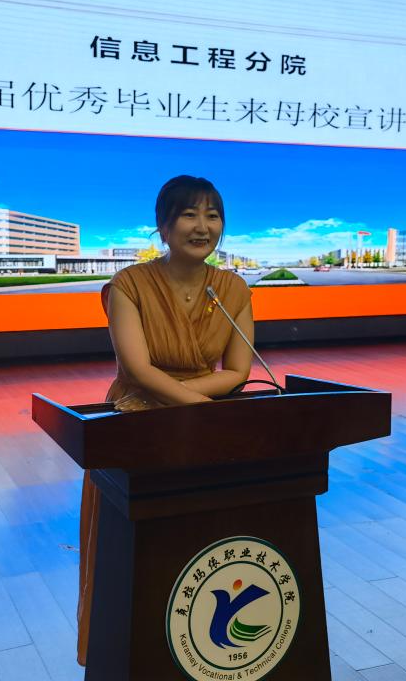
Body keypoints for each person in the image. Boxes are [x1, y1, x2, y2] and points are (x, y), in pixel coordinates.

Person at [77, 175, 253, 666]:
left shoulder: (234, 288)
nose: (202, 227)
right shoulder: (129, 285)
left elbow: (239, 371)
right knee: (137, 558)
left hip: (199, 429)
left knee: (204, 556)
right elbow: (138, 370)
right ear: (163, 225)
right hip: (137, 427)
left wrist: (191, 407)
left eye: (213, 215)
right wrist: (200, 408)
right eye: (189, 214)